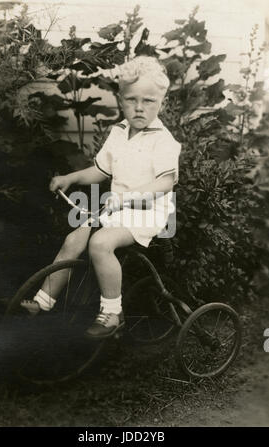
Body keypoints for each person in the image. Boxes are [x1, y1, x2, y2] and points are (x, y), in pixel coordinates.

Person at [21, 56, 181, 339]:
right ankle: (42, 302)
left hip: (148, 212)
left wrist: (128, 197)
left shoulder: (163, 140)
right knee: (74, 239)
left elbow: (165, 182)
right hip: (118, 210)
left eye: (149, 101)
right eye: (132, 100)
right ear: (121, 101)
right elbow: (99, 170)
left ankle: (112, 313)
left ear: (162, 103)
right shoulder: (119, 132)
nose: (139, 108)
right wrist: (70, 179)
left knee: (100, 243)